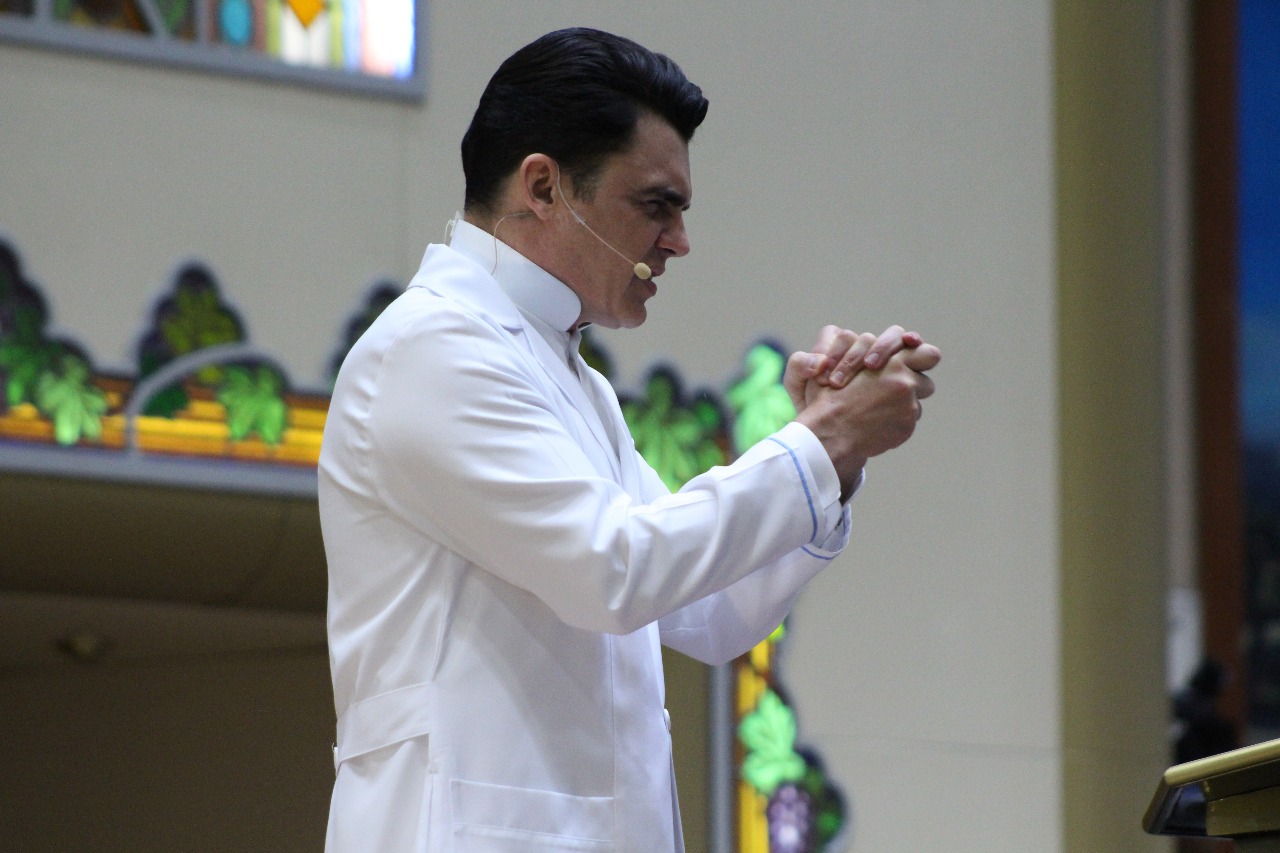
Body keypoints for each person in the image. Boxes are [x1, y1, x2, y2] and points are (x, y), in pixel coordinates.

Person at [320, 27, 941, 852]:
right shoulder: (431, 347)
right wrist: (819, 440)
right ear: (543, 186)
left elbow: (713, 610)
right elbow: (614, 570)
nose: (678, 240)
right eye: (656, 205)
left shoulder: (573, 379)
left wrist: (840, 452)